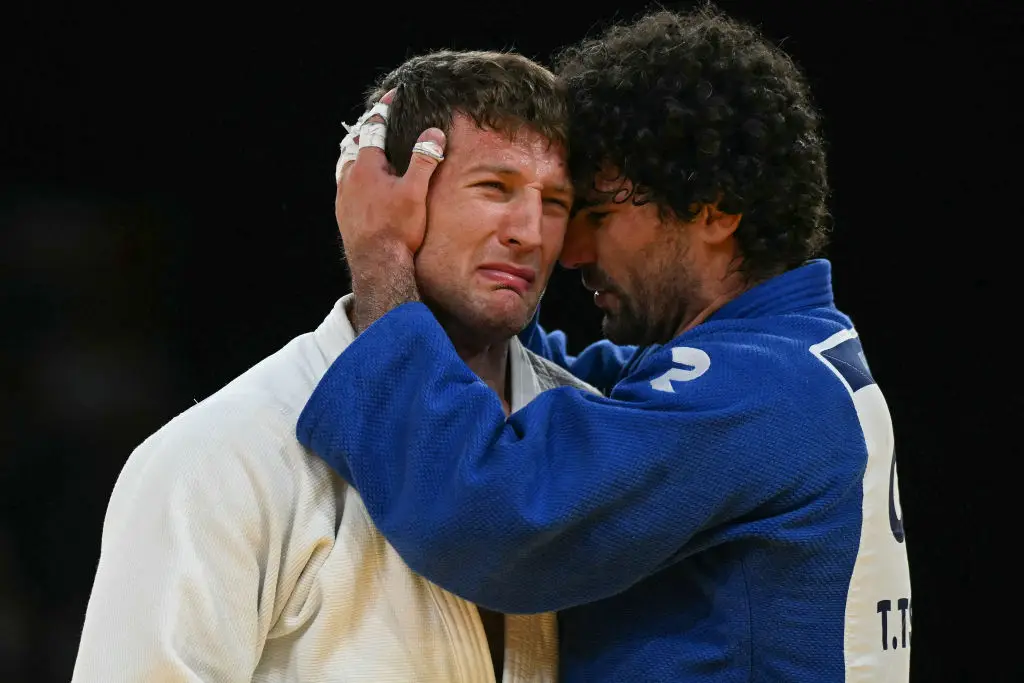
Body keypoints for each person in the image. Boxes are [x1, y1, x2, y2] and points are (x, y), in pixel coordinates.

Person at [296, 6, 912, 682]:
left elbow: (493, 514)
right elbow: (550, 383)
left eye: (599, 214)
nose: (571, 251)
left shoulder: (756, 395)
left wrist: (383, 253)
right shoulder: (792, 360)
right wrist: (476, 276)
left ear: (713, 207)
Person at [72, 49, 592, 683]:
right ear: (391, 193)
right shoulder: (220, 456)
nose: (530, 232)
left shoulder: (591, 433)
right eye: (494, 188)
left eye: (556, 202)